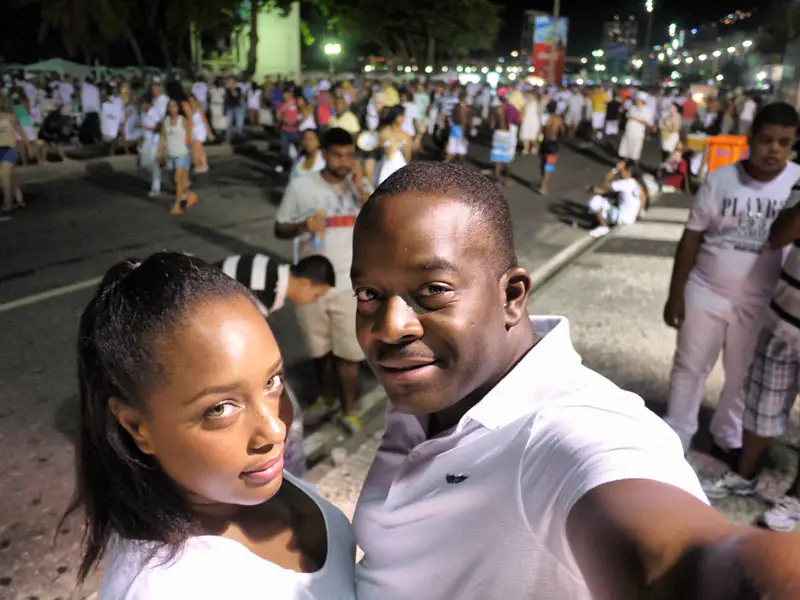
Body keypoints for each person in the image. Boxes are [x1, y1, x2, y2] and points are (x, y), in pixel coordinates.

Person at [350, 160, 800, 600]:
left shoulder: (571, 432)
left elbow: (683, 560)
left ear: (512, 297)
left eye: (433, 290)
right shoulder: (435, 386)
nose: (390, 327)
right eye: (369, 294)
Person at [63, 252, 356, 599]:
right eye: (220, 408)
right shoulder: (167, 589)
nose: (275, 430)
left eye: (272, 381)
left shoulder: (244, 486)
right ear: (137, 427)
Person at [663, 103, 800, 459]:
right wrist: (675, 294)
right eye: (766, 140)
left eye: (784, 142)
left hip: (761, 301)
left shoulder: (795, 183)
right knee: (689, 367)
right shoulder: (720, 180)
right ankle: (675, 439)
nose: (774, 149)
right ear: (751, 139)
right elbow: (691, 237)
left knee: (742, 374)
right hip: (706, 290)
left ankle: (728, 437)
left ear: (793, 144)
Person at [274, 128, 365, 433]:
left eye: (349, 154)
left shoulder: (358, 188)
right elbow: (280, 228)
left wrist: (362, 187)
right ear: (324, 155)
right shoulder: (302, 186)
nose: (344, 161)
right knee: (319, 351)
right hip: (311, 286)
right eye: (337, 155)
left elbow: (378, 220)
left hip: (348, 285)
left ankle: (349, 409)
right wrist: (302, 226)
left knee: (349, 355)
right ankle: (326, 398)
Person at [215, 253, 336, 477]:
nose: (316, 300)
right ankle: (295, 478)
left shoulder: (267, 268)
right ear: (305, 283)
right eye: (317, 294)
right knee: (287, 414)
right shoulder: (261, 291)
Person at [586, 159, 648, 237]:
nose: (620, 173)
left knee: (595, 200)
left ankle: (604, 227)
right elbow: (643, 197)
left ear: (628, 172)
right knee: (607, 199)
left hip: (621, 218)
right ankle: (606, 222)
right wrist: (640, 212)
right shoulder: (635, 183)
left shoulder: (626, 182)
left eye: (622, 170)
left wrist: (615, 169)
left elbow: (604, 184)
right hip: (630, 219)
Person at [158, 98, 197, 215]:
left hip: (182, 154)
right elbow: (163, 137)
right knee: (175, 181)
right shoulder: (165, 121)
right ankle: (188, 195)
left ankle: (177, 205)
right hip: (170, 155)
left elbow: (189, 138)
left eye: (174, 106)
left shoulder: (182, 120)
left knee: (177, 179)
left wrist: (192, 154)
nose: (172, 109)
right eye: (170, 106)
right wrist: (159, 151)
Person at [0, 94, 27, 216]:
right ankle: (19, 199)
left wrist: (27, 145)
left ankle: (8, 203)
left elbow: (20, 131)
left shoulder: (11, 117)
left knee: (4, 175)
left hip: (11, 148)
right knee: (10, 176)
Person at [376, 105, 411, 186]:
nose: (402, 118)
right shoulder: (384, 132)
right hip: (385, 168)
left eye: (403, 115)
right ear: (395, 116)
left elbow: (407, 157)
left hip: (400, 168)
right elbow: (379, 150)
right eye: (400, 115)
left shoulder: (406, 135)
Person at [137, 94, 163, 199]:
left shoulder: (155, 112)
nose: (142, 106)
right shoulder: (143, 114)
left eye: (144, 104)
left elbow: (159, 128)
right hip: (146, 142)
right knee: (144, 163)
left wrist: (146, 127)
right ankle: (157, 178)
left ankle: (156, 187)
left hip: (155, 142)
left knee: (154, 164)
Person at [538, 100, 564, 196]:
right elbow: (562, 132)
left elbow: (540, 131)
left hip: (545, 142)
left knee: (543, 162)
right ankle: (544, 186)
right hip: (553, 144)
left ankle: (542, 181)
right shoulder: (558, 119)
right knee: (549, 165)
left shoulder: (545, 117)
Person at [618, 92, 651, 163]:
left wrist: (635, 119)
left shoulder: (647, 109)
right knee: (627, 146)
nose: (636, 101)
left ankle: (633, 162)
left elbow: (646, 122)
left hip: (638, 132)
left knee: (635, 148)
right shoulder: (633, 107)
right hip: (629, 130)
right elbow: (628, 116)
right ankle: (625, 160)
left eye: (638, 99)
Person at [490, 105, 515, 187]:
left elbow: (492, 125)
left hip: (498, 134)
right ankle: (507, 179)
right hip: (507, 134)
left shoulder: (495, 111)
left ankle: (497, 180)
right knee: (506, 158)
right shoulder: (507, 110)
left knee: (497, 158)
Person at [190, 93, 214, 174]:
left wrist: (209, 132)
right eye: (190, 101)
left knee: (198, 148)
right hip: (193, 131)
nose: (192, 102)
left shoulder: (199, 108)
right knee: (197, 150)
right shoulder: (188, 110)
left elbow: (205, 121)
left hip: (200, 130)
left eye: (193, 100)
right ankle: (200, 165)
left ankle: (202, 165)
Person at [520, 90, 540, 155]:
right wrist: (522, 118)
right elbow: (522, 111)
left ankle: (535, 147)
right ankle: (526, 149)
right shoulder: (525, 102)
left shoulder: (536, 102)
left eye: (530, 94)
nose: (528, 96)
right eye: (528, 94)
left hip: (534, 121)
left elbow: (538, 113)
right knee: (525, 135)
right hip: (526, 121)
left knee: (533, 137)